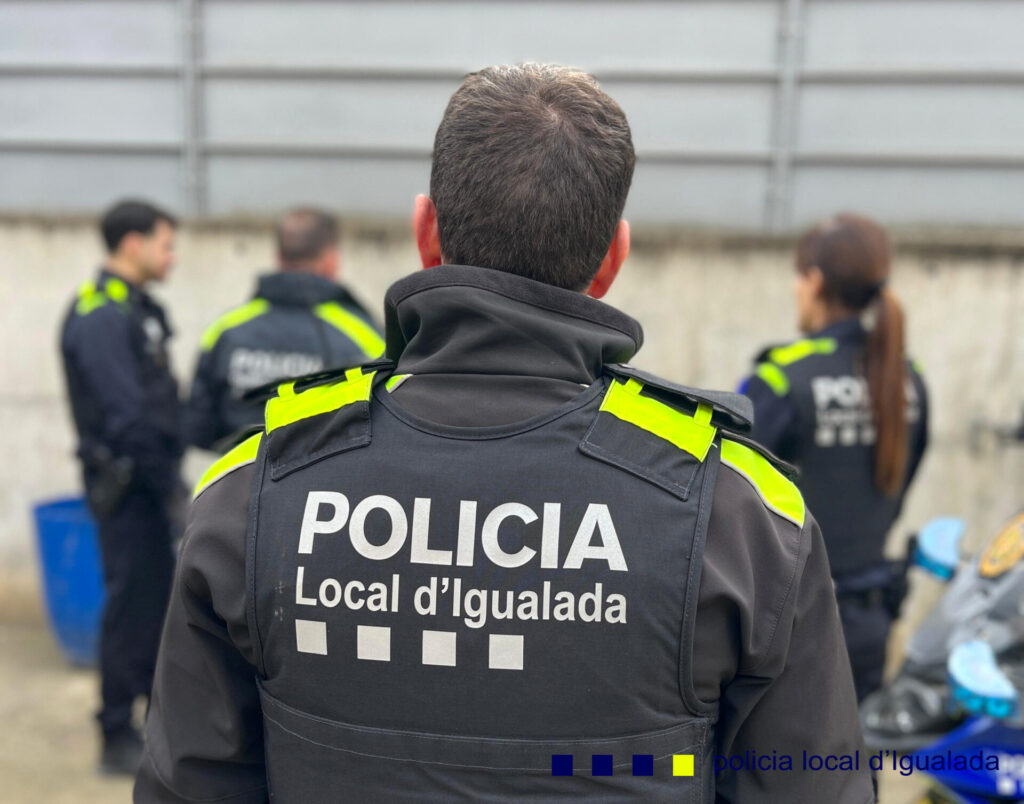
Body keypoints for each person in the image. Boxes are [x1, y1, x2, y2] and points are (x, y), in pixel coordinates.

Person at [137, 65, 873, 803]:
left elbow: (186, 784)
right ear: (612, 258)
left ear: (426, 232)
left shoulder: (253, 487)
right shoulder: (742, 516)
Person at [740, 213, 929, 702]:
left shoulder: (782, 380)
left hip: (788, 628)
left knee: (777, 773)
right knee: (856, 771)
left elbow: (727, 500)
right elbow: (898, 488)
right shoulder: (909, 379)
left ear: (815, 281)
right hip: (869, 621)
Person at [59, 199, 183, 775]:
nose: (172, 256)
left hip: (149, 485)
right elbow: (127, 419)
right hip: (131, 490)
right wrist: (169, 490)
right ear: (132, 244)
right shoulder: (102, 315)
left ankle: (146, 722)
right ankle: (114, 732)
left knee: (153, 608)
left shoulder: (135, 308)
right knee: (130, 610)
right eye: (165, 244)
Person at [184, 207, 384, 451]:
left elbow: (198, 427)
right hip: (324, 485)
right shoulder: (365, 336)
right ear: (331, 258)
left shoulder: (225, 330)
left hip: (238, 481)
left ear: (278, 256)